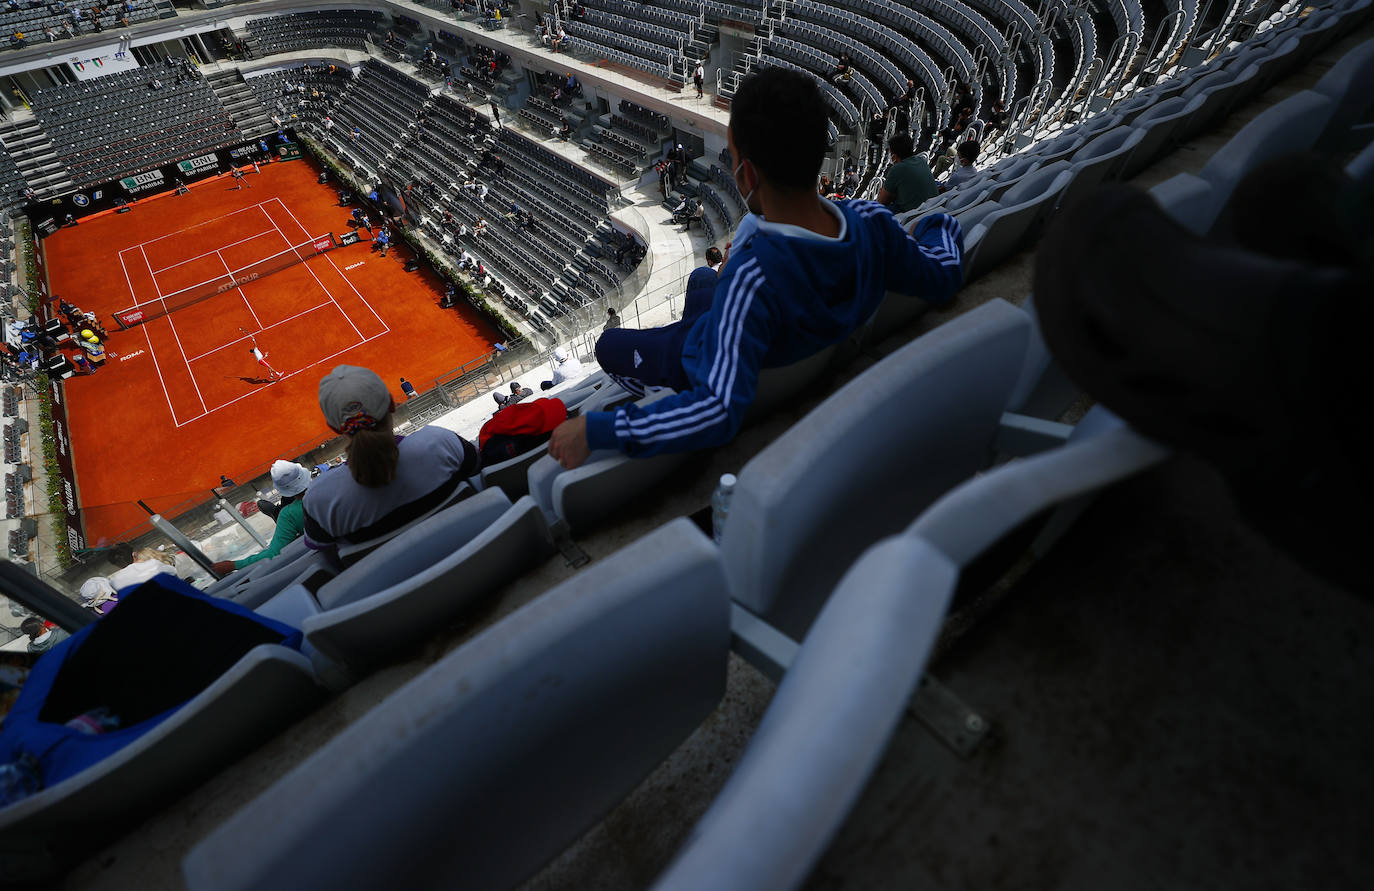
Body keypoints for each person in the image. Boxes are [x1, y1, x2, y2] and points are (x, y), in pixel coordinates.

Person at [547, 67, 963, 468]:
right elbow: (944, 272)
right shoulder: (875, 225)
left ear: (746, 176)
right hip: (729, 324)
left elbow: (716, 410)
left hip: (698, 353)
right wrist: (936, 220)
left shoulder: (753, 278)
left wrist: (600, 430)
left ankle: (656, 385)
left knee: (608, 345)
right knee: (701, 278)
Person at [301, 366, 480, 554]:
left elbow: (325, 554)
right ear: (392, 404)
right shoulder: (441, 441)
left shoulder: (318, 498)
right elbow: (481, 470)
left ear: (336, 428)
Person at [209, 461, 312, 576]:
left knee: (284, 515)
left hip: (306, 544)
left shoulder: (288, 514)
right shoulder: (328, 487)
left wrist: (233, 565)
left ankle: (276, 514)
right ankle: (276, 513)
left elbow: (273, 553)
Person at [878, 132, 938, 213]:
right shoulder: (921, 160)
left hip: (914, 214)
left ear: (894, 156)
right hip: (933, 208)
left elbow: (881, 201)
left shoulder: (897, 169)